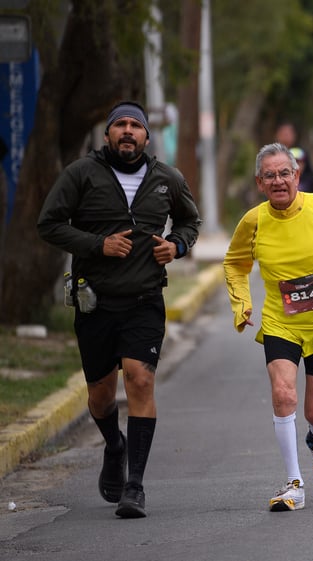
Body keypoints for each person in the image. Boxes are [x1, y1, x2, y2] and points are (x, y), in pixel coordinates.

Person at [37, 100, 201, 518]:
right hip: (96, 303)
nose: (127, 131)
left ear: (147, 136)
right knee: (101, 395)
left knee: (140, 380)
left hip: (145, 300)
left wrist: (177, 245)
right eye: (120, 125)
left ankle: (135, 486)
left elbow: (190, 221)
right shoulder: (81, 174)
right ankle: (114, 444)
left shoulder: (167, 179)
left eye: (135, 125)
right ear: (108, 133)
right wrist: (98, 245)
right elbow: (50, 223)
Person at [223, 143, 313, 512]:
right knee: (283, 394)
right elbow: (235, 264)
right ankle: (294, 484)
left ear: (297, 176)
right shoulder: (254, 221)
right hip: (280, 322)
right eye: (269, 175)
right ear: (259, 182)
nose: (278, 181)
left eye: (284, 173)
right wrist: (242, 304)